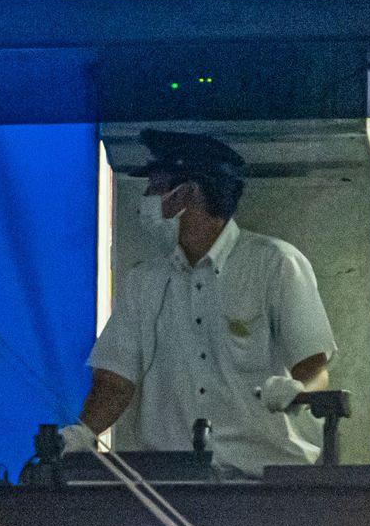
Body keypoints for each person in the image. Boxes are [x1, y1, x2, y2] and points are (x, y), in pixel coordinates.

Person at [67, 130, 336, 475]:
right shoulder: (143, 282)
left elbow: (314, 367)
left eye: (155, 187)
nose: (146, 198)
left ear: (187, 193)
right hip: (173, 484)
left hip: (266, 481)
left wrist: (297, 391)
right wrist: (80, 434)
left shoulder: (274, 264)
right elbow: (114, 382)